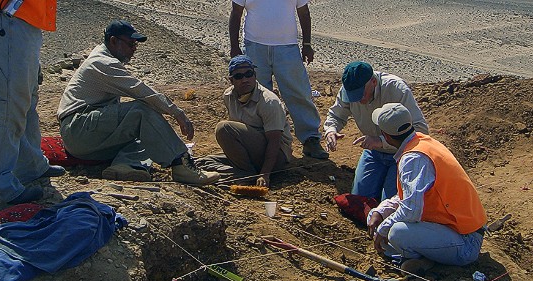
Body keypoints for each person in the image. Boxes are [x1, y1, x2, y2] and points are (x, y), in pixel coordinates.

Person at [57, 20, 219, 185]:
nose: (134, 49)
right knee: (141, 111)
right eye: (130, 43)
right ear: (113, 41)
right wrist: (177, 113)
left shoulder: (105, 59)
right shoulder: (102, 63)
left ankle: (126, 166)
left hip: (85, 133)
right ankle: (180, 164)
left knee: (149, 132)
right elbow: (141, 91)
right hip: (78, 130)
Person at [0, 0, 65, 210]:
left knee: (23, 95)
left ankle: (29, 166)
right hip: (3, 12)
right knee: (6, 101)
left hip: (17, 13)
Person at [366, 103, 487, 273]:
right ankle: (427, 258)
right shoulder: (423, 143)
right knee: (383, 218)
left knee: (397, 233)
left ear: (386, 135)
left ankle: (426, 261)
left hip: (465, 244)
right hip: (460, 232)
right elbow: (409, 198)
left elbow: (411, 210)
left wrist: (384, 228)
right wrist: (381, 211)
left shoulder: (413, 158)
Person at [229, 0, 329, 159]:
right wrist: (234, 46)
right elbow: (236, 13)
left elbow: (304, 12)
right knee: (257, 95)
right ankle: (260, 139)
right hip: (254, 46)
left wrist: (307, 43)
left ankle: (310, 139)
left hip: (288, 47)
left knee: (299, 93)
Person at [324, 61, 429, 202]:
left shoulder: (396, 89)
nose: (359, 100)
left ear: (373, 81)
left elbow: (421, 131)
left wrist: (381, 141)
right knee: (360, 200)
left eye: (361, 94)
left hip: (401, 154)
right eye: (353, 96)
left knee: (390, 203)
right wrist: (331, 130)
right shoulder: (348, 90)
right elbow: (336, 114)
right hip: (373, 153)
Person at [213, 55, 293, 187]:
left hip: (276, 155)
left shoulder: (269, 101)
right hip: (250, 150)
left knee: (224, 128)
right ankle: (242, 172)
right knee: (202, 162)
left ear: (254, 75)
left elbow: (274, 141)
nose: (245, 80)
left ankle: (247, 174)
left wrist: (265, 174)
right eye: (239, 76)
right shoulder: (228, 96)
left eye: (248, 74)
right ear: (231, 80)